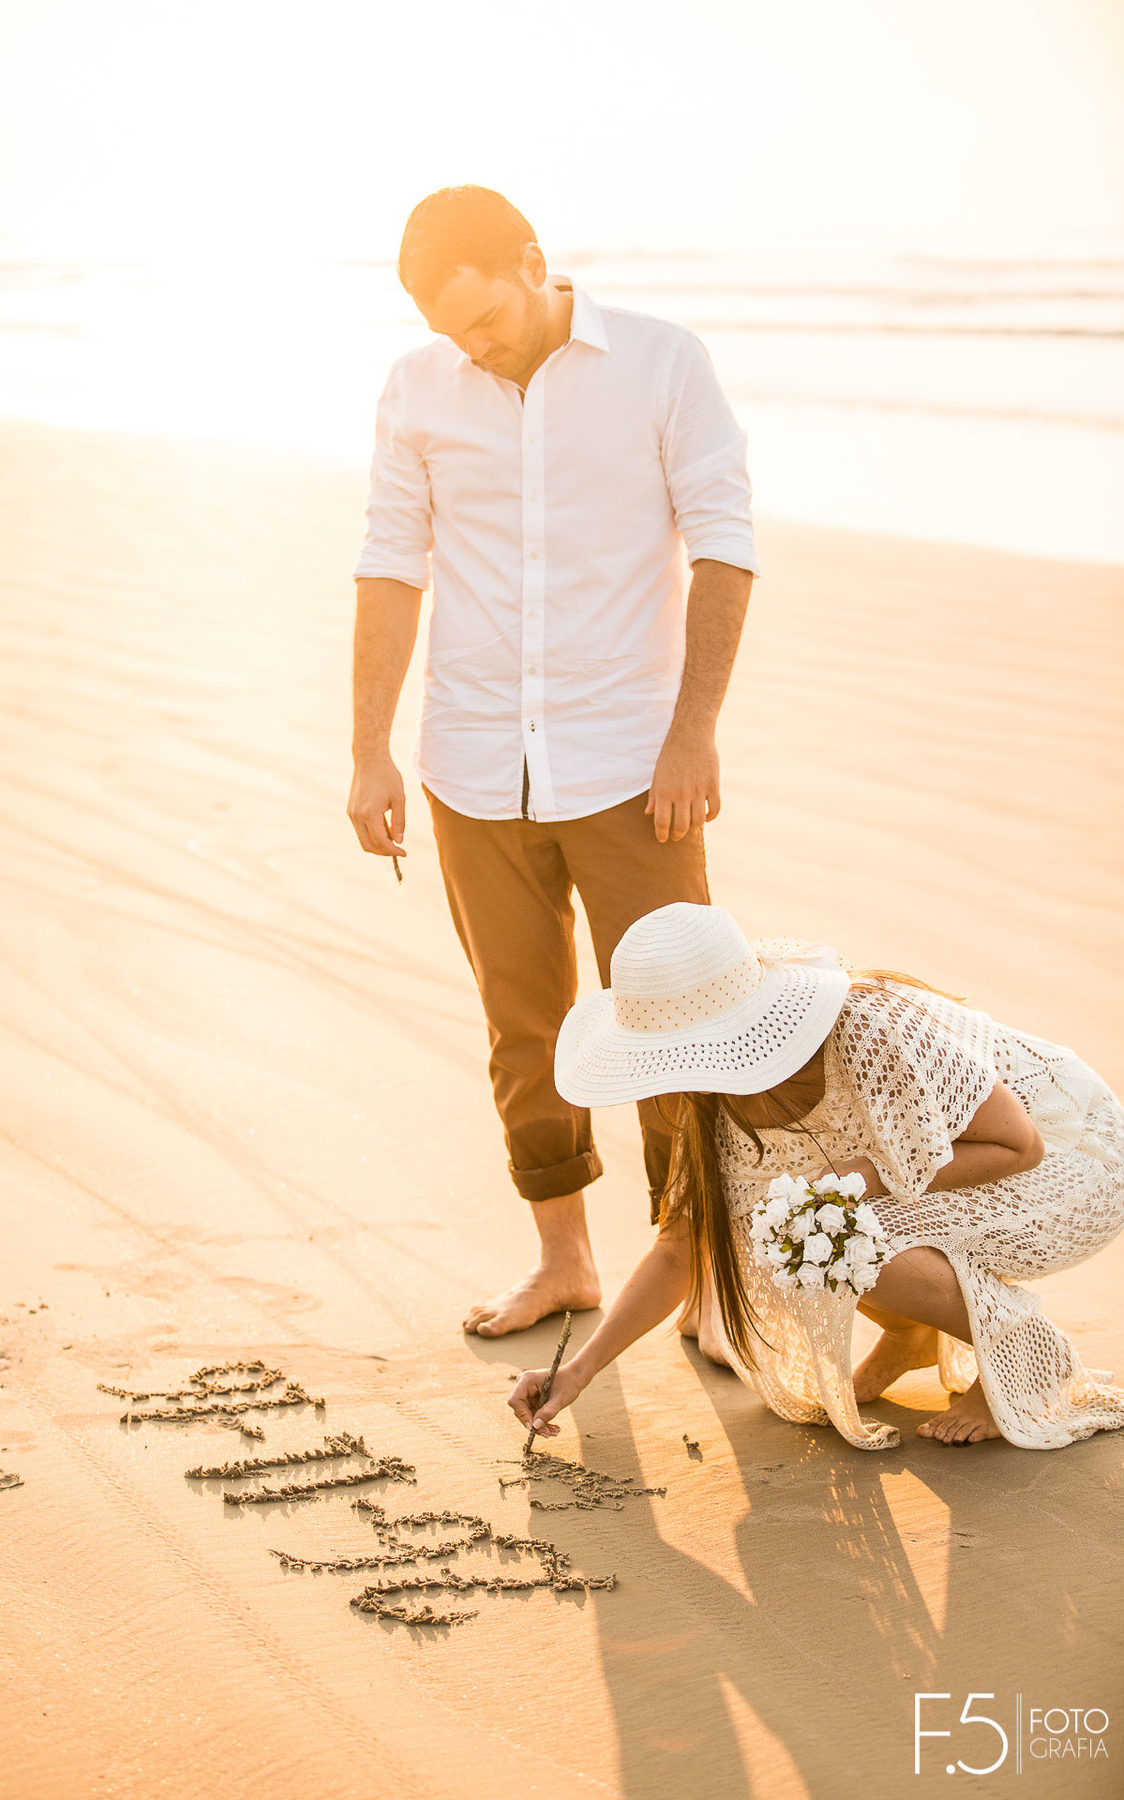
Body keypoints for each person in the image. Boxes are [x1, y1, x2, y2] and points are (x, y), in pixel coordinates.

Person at [348, 187, 760, 1336]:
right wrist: (369, 751)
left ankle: (694, 1276)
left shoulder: (662, 364)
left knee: (677, 1022)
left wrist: (693, 732)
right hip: (473, 762)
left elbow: (725, 547)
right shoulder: (417, 389)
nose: (472, 348)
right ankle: (565, 1261)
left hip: (635, 764)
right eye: (451, 333)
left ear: (533, 263)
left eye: (484, 319)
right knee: (524, 1032)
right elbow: (390, 565)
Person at [509, 903, 1124, 1449]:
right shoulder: (707, 1102)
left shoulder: (870, 1029)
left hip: (1074, 1162)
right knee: (796, 1227)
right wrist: (578, 1371)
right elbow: (678, 1249)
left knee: (825, 1228)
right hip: (959, 1177)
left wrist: (865, 1177)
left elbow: (1022, 1145)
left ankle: (1024, 1361)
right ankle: (910, 1333)